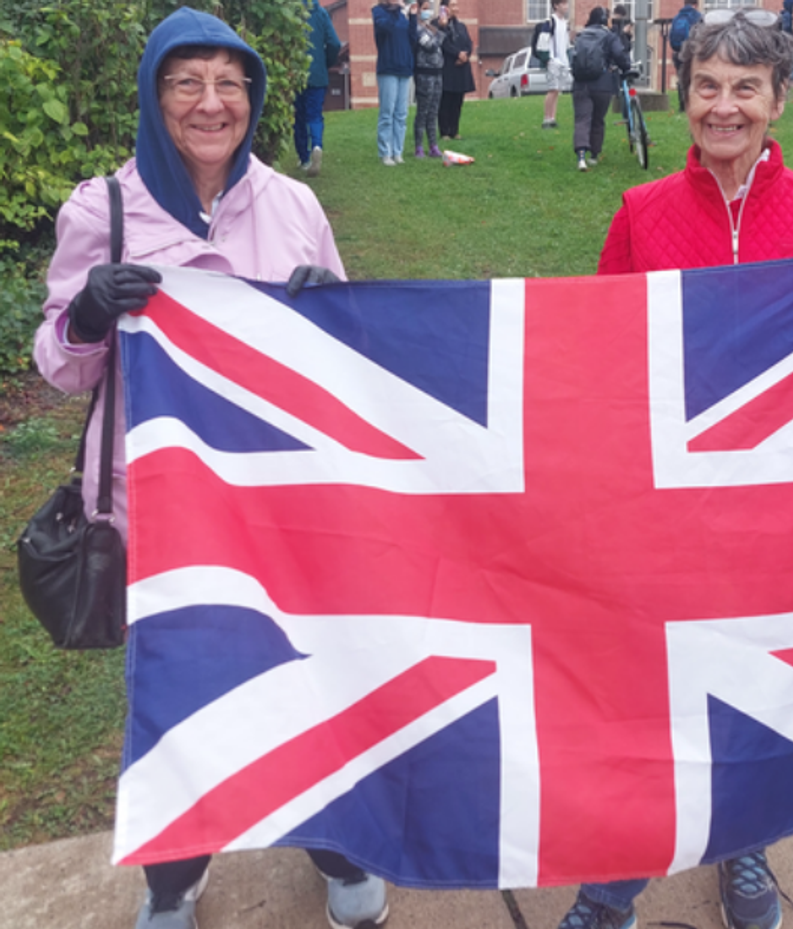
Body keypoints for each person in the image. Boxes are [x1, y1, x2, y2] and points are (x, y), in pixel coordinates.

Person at [558, 12, 793, 929]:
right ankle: (612, 885)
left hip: (774, 513)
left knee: (752, 686)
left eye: (745, 89)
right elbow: (599, 355)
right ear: (686, 97)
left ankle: (742, 842)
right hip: (667, 503)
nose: (724, 107)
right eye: (707, 87)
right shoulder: (642, 211)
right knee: (650, 699)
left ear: (778, 100)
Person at [32, 9, 389, 929]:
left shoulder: (292, 205)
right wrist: (86, 315)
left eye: (229, 83)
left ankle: (332, 842)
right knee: (180, 687)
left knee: (305, 669)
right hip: (161, 509)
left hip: (281, 496)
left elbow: (352, 351)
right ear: (155, 97)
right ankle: (174, 875)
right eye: (186, 81)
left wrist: (330, 311)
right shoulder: (102, 211)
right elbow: (61, 366)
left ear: (253, 98)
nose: (210, 102)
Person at [571, 6, 632, 171]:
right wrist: (627, 67)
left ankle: (581, 157)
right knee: (598, 120)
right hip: (602, 84)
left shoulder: (580, 36)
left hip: (580, 84)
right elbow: (619, 55)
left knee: (582, 119)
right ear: (605, 20)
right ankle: (594, 155)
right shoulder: (609, 36)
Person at [294, 0, 342, 178]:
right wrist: (326, 62)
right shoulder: (321, 13)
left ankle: (304, 158)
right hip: (318, 74)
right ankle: (316, 145)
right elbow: (335, 43)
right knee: (314, 115)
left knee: (298, 117)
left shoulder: (293, 13)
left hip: (295, 73)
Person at [373, 0, 417, 165]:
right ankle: (385, 152)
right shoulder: (379, 12)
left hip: (404, 67)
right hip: (388, 68)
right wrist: (397, 10)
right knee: (387, 112)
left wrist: (413, 17)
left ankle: (398, 152)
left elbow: (413, 38)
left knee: (401, 113)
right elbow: (386, 28)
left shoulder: (402, 15)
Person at [414, 0, 447, 157]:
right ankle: (419, 146)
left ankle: (433, 145)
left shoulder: (430, 28)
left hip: (437, 73)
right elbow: (431, 46)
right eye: (425, 8)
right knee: (423, 112)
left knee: (433, 112)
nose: (427, 12)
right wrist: (440, 30)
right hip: (424, 74)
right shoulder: (417, 29)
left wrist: (439, 29)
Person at [438, 0, 476, 139]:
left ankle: (454, 130)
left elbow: (468, 43)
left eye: (456, 5)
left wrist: (466, 54)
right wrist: (457, 54)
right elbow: (443, 43)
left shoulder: (461, 26)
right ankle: (444, 131)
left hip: (461, 68)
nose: (456, 8)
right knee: (446, 101)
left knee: (457, 102)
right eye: (453, 5)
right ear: (445, 8)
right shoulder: (438, 25)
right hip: (448, 67)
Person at [539, 0, 572, 129]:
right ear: (556, 6)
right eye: (563, 4)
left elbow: (566, 42)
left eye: (566, 4)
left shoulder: (565, 23)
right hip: (553, 60)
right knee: (552, 90)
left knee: (557, 90)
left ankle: (552, 117)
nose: (566, 6)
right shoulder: (550, 22)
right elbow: (543, 40)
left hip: (562, 61)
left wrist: (568, 57)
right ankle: (546, 118)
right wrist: (547, 58)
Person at [669, 0, 703, 110]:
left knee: (681, 77)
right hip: (691, 52)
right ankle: (692, 104)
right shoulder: (697, 16)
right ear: (695, 5)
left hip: (678, 51)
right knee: (694, 78)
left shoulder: (677, 17)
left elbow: (671, 35)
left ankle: (682, 105)